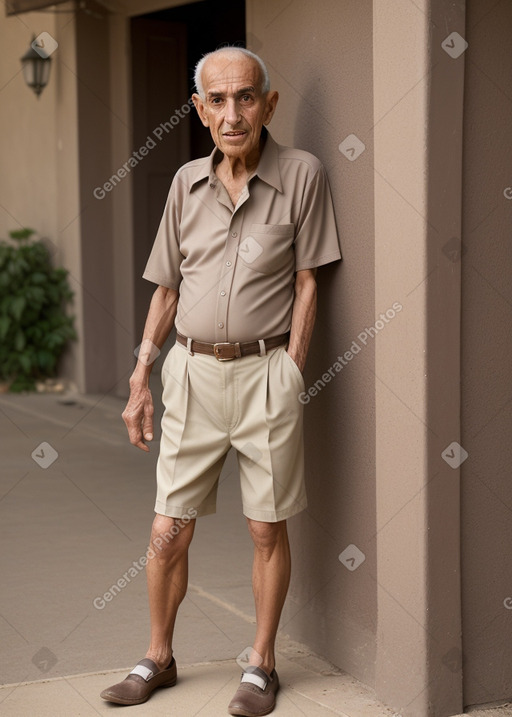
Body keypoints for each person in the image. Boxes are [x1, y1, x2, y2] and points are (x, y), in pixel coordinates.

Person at [100, 46, 341, 716]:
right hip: (193, 371)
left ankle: (261, 664)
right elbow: (168, 288)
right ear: (200, 110)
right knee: (167, 529)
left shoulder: (303, 175)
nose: (232, 113)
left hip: (267, 374)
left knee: (266, 528)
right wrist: (142, 373)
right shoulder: (184, 184)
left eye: (245, 97)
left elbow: (308, 280)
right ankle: (159, 656)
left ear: (268, 103)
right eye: (217, 100)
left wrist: (291, 369)